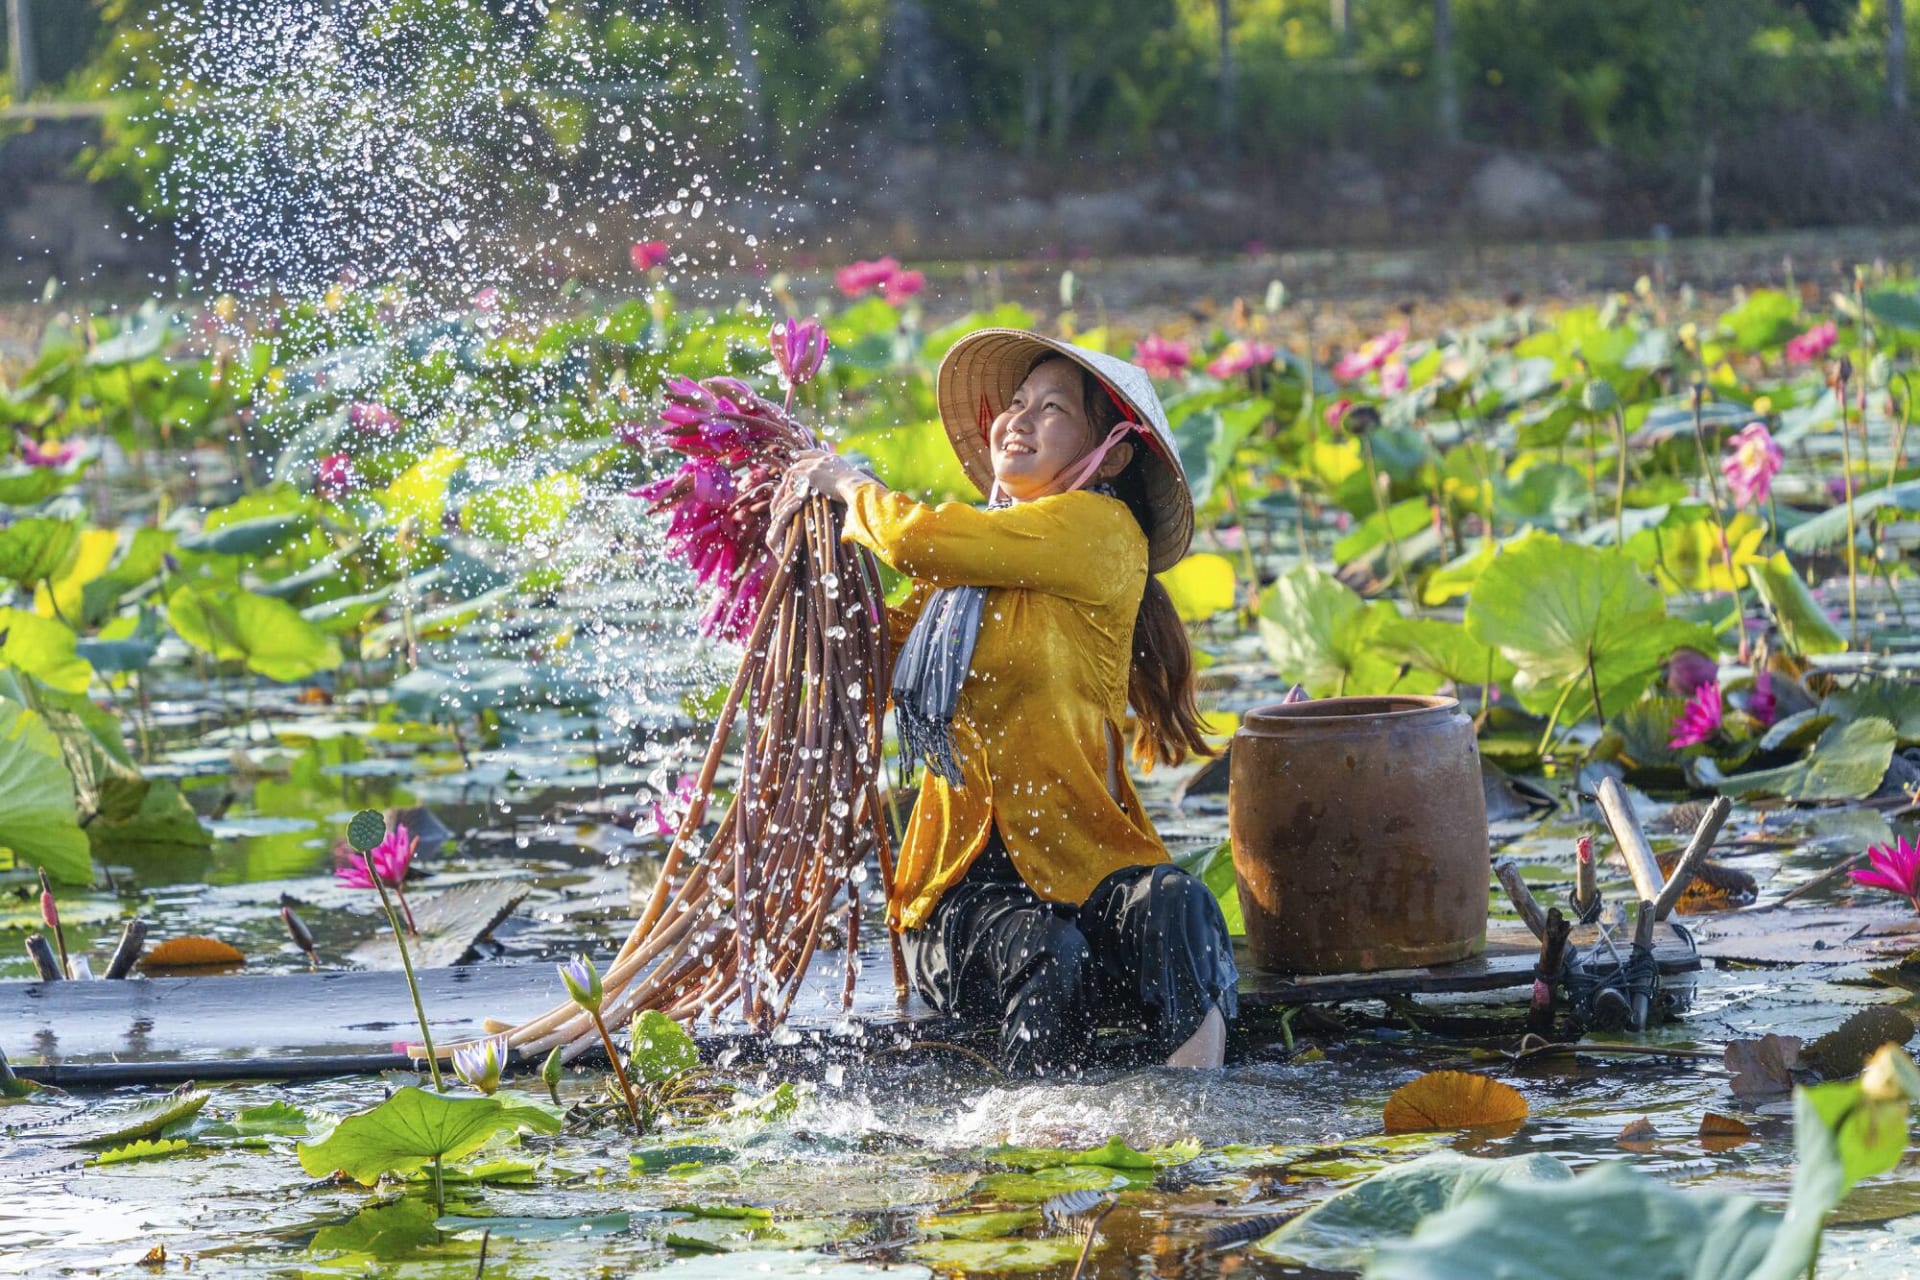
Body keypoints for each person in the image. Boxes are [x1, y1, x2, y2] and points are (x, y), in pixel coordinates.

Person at [769, 328, 1238, 1074]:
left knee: (1178, 903)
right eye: (1016, 402)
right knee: (1044, 951)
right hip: (960, 897)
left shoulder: (1104, 531)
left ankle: (1192, 1110)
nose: (1017, 419)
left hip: (1087, 867)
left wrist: (848, 484)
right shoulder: (967, 562)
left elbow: (919, 538)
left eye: (1051, 409)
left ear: (1111, 453)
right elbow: (865, 658)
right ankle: (1028, 1140)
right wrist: (803, 576)